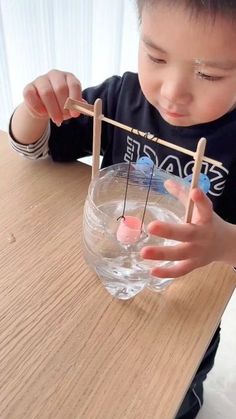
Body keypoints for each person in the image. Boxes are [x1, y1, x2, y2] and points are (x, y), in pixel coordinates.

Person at [8, 1, 236, 417]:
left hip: (184, 312)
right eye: (156, 57)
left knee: (168, 397)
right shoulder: (118, 99)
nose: (172, 92)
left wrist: (224, 243)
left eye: (208, 74)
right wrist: (36, 109)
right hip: (101, 280)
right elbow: (35, 149)